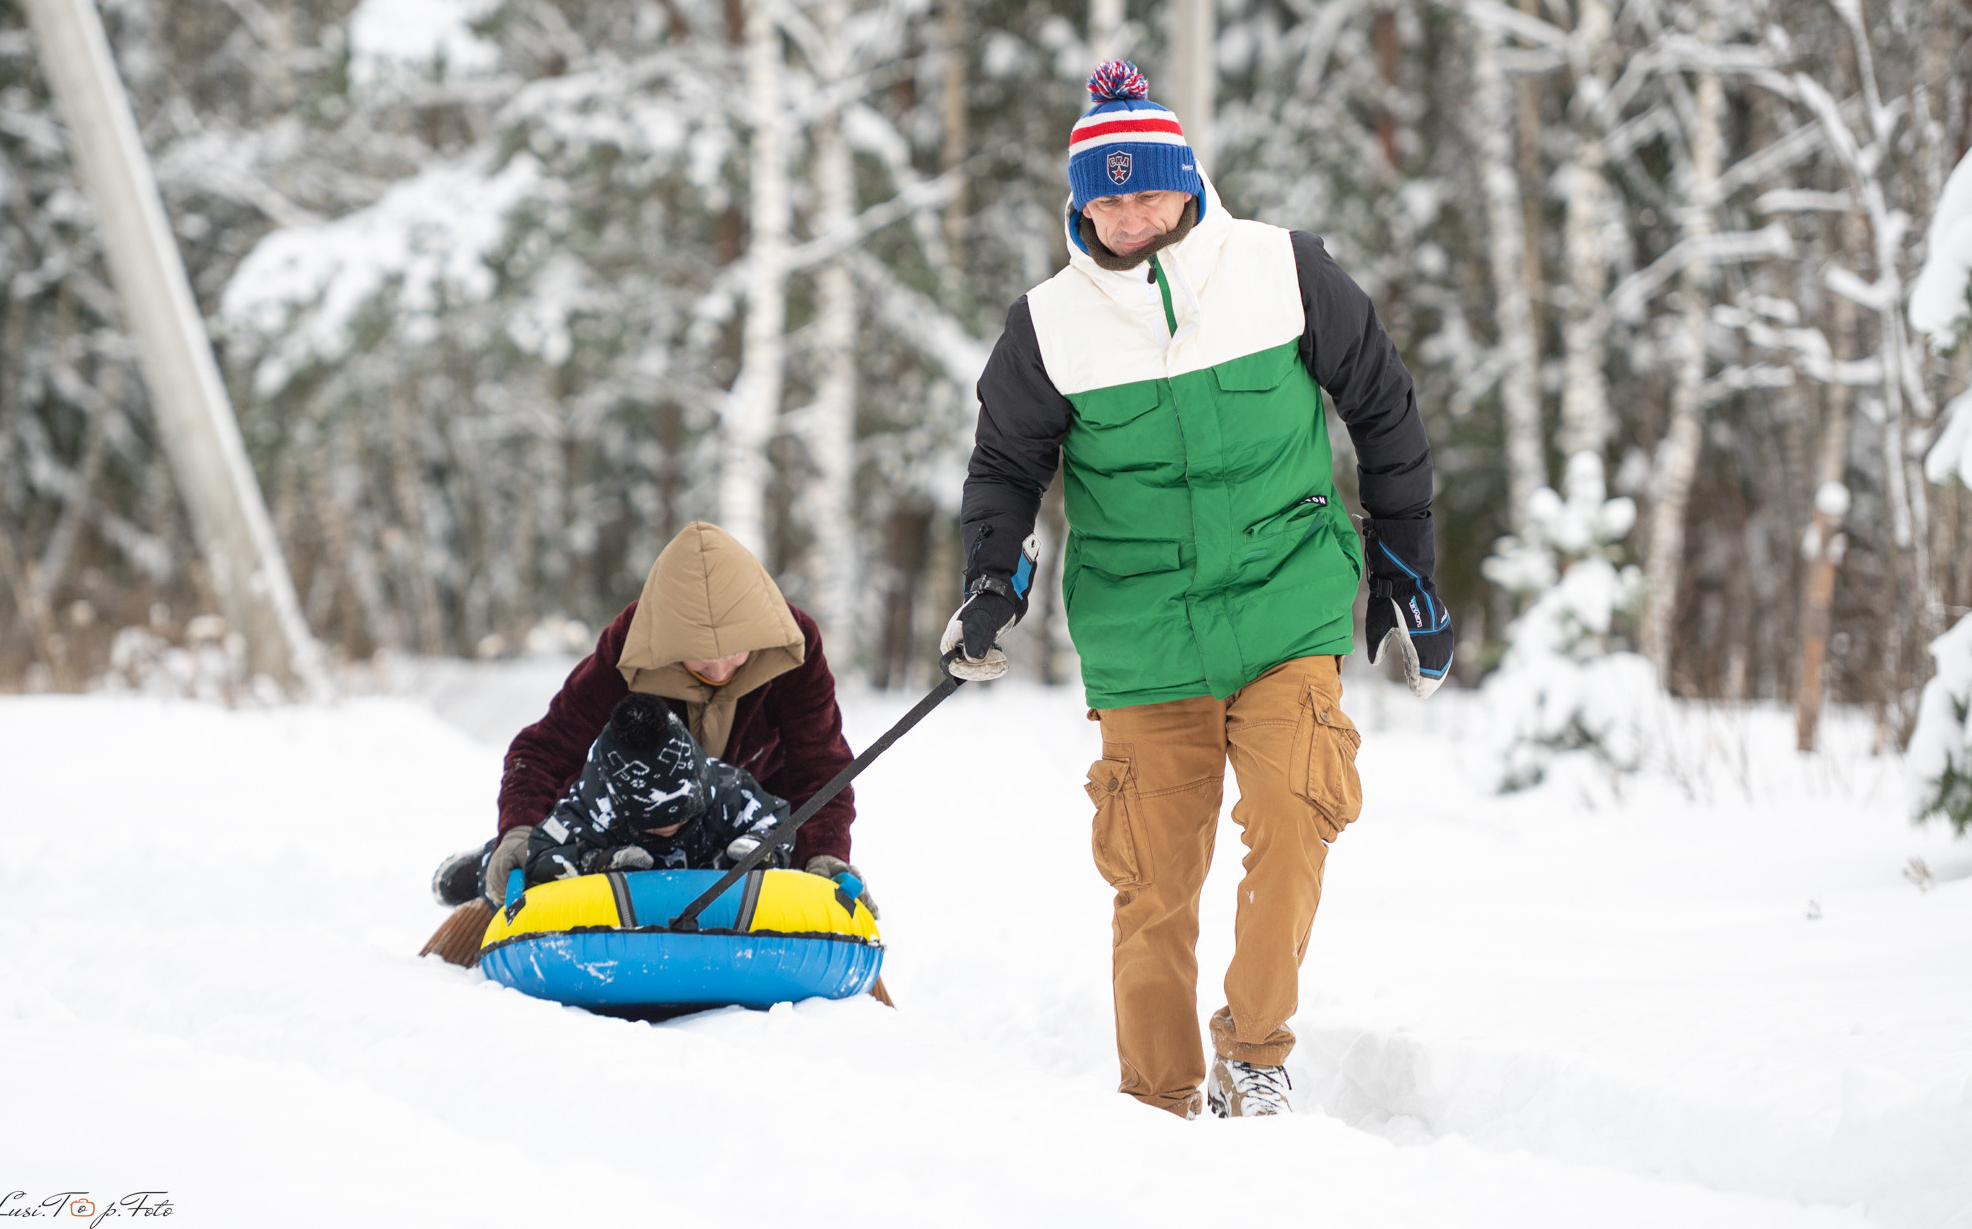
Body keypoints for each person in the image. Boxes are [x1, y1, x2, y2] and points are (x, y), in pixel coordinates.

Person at [940, 61, 1451, 1120]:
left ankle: (1255, 1053)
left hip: (1284, 604)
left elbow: (1384, 408)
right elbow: (1003, 470)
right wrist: (992, 580)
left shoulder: (1280, 270)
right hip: (1142, 634)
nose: (1128, 217)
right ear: (1079, 205)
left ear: (1187, 180)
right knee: (1152, 880)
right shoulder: (1047, 326)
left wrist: (1403, 562)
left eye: (1146, 192)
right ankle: (1156, 1104)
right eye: (1105, 199)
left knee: (1294, 813)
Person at [431, 520, 876, 915]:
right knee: (566, 852)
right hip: (639, 815)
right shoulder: (630, 645)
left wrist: (823, 853)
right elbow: (544, 750)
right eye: (699, 661)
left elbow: (821, 764)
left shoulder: (795, 645)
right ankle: (486, 866)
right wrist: (520, 830)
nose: (720, 673)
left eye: (735, 655)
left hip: (749, 818)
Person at [521, 691, 793, 884]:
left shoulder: (727, 790)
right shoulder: (589, 812)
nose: (669, 829)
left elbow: (776, 819)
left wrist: (759, 848)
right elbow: (540, 857)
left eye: (683, 816)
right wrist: (597, 862)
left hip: (718, 923)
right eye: (651, 824)